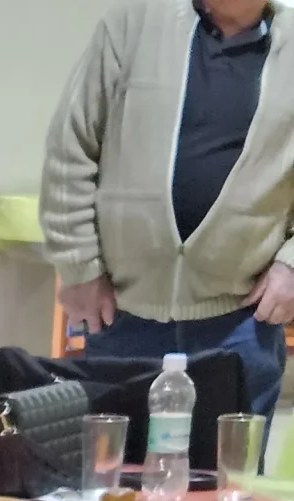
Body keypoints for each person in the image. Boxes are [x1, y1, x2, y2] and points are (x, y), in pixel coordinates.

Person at [43, 0, 294, 416]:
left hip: (241, 324)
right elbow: (71, 147)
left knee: (228, 461)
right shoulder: (132, 24)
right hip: (121, 315)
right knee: (116, 458)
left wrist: (291, 266)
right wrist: (78, 265)